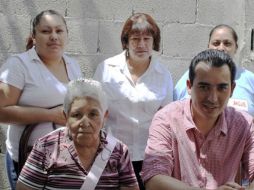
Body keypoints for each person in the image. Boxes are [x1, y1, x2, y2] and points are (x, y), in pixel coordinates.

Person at [141, 49, 254, 190]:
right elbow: (153, 179)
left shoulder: (245, 124)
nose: (213, 98)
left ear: (232, 89)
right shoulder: (167, 119)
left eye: (222, 88)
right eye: (204, 87)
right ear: (189, 86)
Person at [0, 10, 82, 189]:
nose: (53, 36)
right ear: (34, 37)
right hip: (27, 160)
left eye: (59, 31)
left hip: (63, 160)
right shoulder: (18, 65)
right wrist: (50, 115)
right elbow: (1, 112)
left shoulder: (73, 65)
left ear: (66, 34)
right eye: (46, 31)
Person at [93, 13, 174, 189]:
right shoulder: (106, 69)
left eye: (147, 38)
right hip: (110, 153)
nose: (141, 44)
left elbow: (167, 119)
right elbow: (95, 111)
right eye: (135, 38)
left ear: (155, 42)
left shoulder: (163, 74)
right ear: (126, 41)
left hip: (149, 156)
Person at [16, 78, 139, 190]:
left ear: (104, 117)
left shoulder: (119, 151)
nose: (85, 123)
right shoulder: (46, 147)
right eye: (76, 115)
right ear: (66, 117)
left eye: (93, 114)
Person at [174, 24, 254, 116]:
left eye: (227, 43)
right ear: (208, 46)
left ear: (236, 48)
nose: (221, 48)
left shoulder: (250, 80)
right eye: (216, 43)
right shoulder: (192, 76)